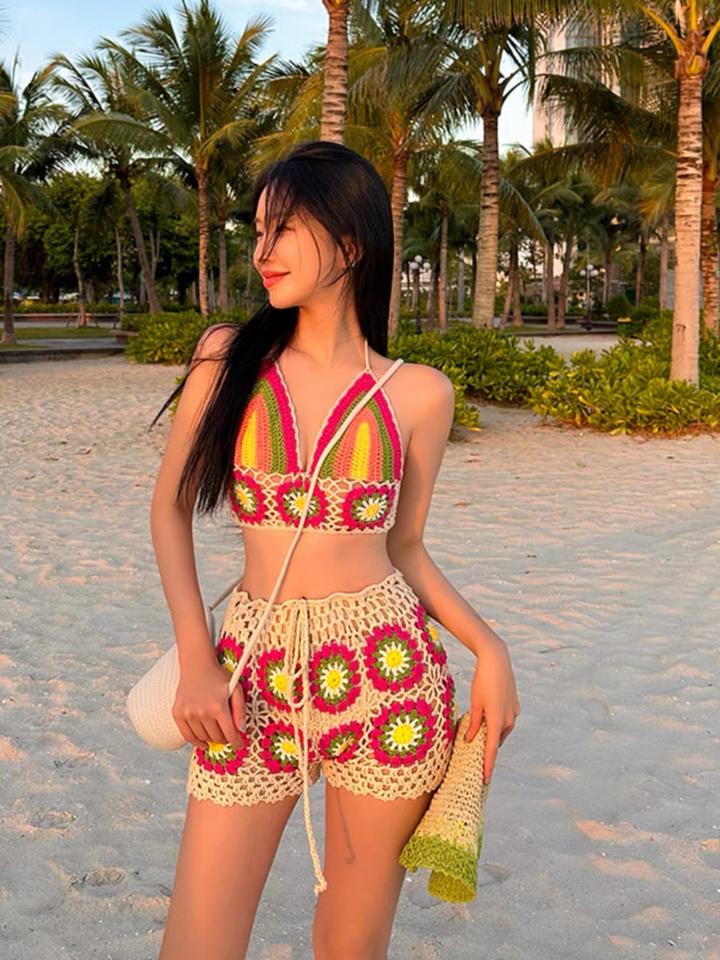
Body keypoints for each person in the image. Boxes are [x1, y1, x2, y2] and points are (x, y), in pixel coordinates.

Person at [148, 140, 520, 960]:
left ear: (351, 244)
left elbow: (407, 548)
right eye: (257, 231)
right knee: (197, 942)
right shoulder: (226, 358)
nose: (262, 250)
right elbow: (168, 511)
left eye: (283, 229)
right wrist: (196, 658)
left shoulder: (418, 392)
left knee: (350, 946)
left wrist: (488, 648)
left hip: (387, 672)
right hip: (252, 668)